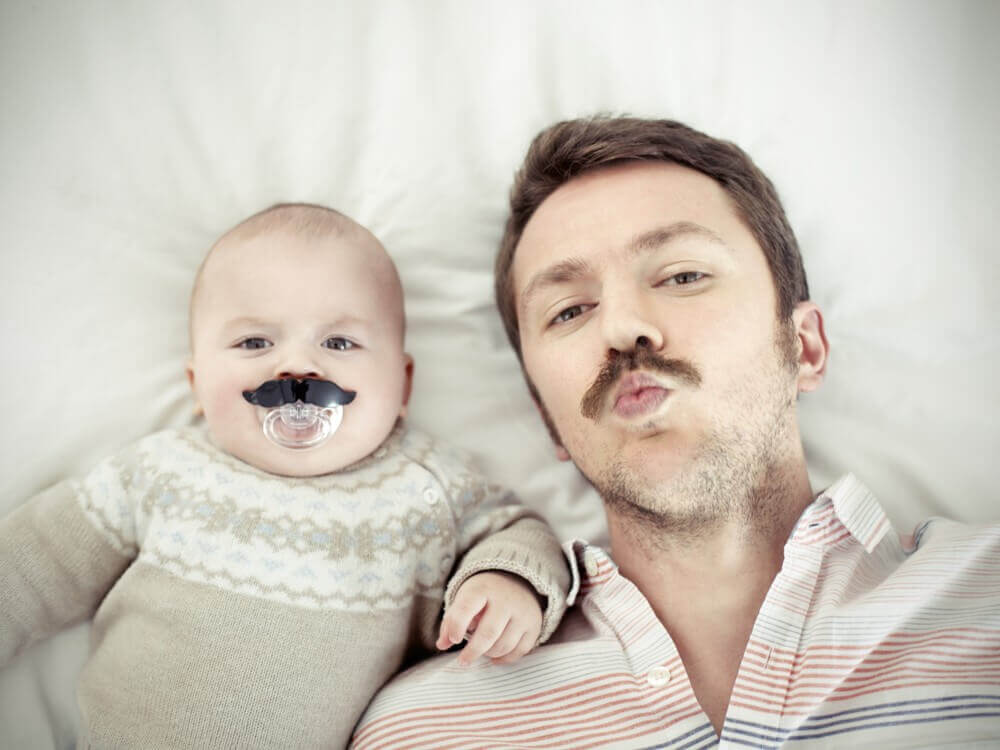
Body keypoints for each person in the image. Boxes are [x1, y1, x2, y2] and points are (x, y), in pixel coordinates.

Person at [351, 117, 1000, 748]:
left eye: (683, 275)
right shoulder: (426, 728)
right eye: (570, 310)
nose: (623, 327)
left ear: (803, 348)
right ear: (548, 415)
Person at [0, 203, 570, 749]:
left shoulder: (426, 489)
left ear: (403, 386)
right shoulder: (160, 471)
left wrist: (507, 581)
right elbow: (32, 567)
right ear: (197, 384)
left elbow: (516, 529)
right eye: (254, 342)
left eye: (339, 342)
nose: (296, 366)